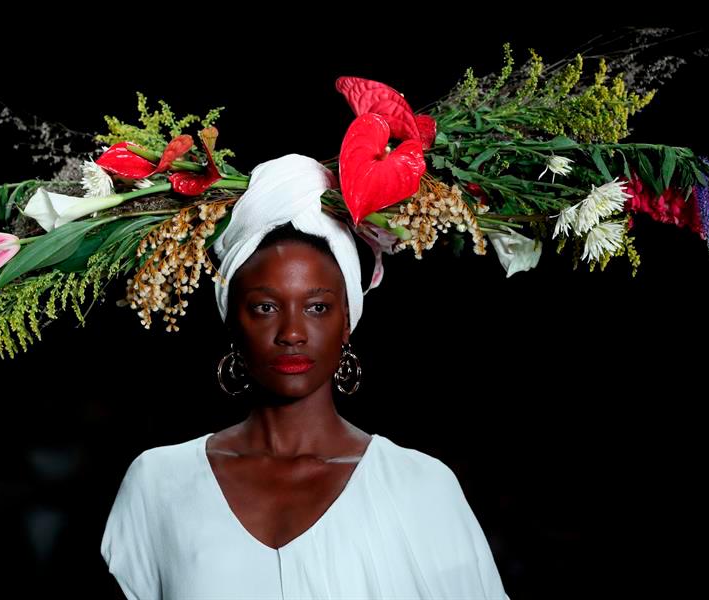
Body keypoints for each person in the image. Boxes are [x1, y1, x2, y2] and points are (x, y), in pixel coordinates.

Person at [100, 154, 510, 599]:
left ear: (346, 320)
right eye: (265, 307)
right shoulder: (160, 482)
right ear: (233, 320)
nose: (292, 333)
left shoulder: (421, 487)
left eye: (317, 307)